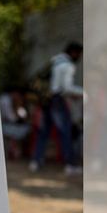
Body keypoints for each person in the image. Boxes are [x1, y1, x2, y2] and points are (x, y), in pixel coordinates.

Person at [30, 42, 84, 175]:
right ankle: (70, 164)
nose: (80, 57)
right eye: (79, 54)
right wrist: (83, 92)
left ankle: (36, 161)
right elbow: (66, 88)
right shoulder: (67, 65)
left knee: (44, 132)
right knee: (65, 132)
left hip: (46, 100)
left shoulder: (54, 60)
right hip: (57, 100)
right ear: (73, 52)